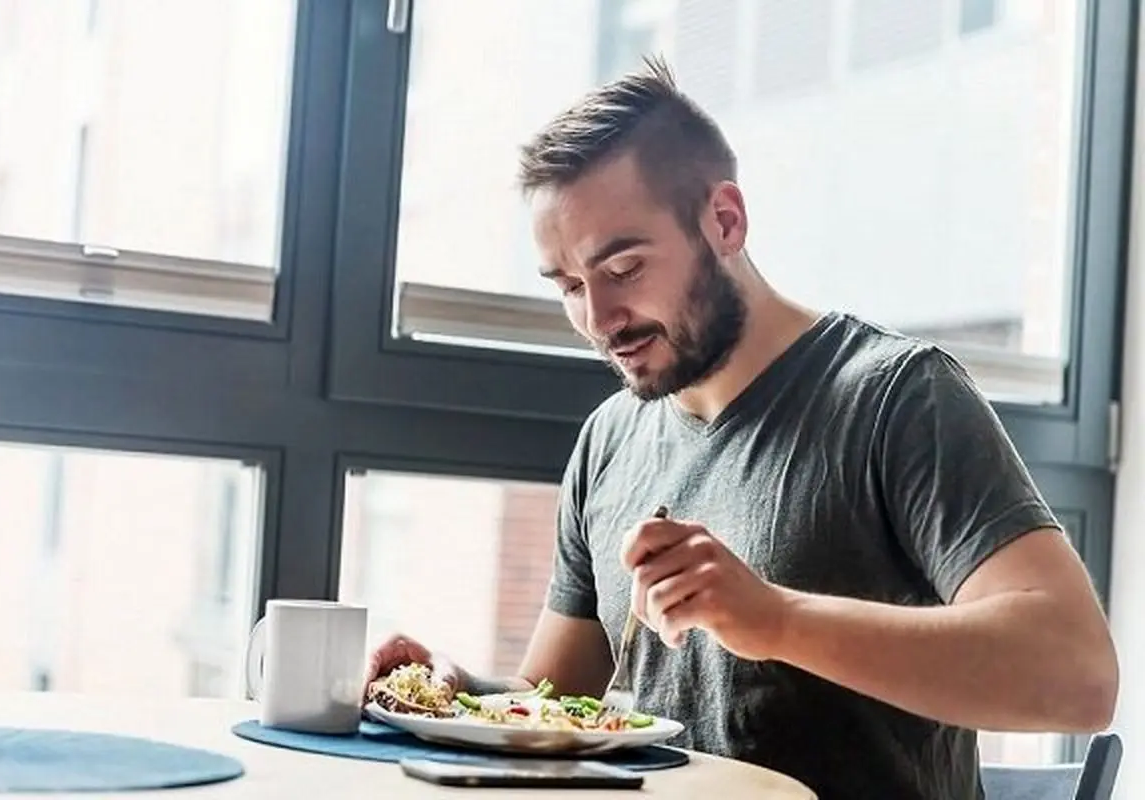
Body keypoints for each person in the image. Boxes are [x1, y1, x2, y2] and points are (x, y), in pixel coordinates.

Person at [365, 57, 1119, 799]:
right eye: (568, 286)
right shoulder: (609, 440)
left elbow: (1076, 677)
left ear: (724, 221)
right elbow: (553, 702)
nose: (597, 321)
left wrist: (776, 619)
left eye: (623, 268)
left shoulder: (898, 398)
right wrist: (456, 694)